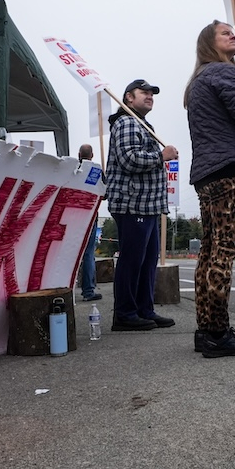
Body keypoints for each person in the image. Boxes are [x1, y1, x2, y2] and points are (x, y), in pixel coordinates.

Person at [184, 21, 235, 358]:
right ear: (210, 43)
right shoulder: (225, 74)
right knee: (225, 249)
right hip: (229, 172)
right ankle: (218, 331)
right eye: (225, 33)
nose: (233, 36)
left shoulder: (198, 82)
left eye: (234, 32)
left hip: (207, 173)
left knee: (209, 250)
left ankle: (206, 328)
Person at [105, 79, 179, 331]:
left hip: (147, 205)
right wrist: (162, 156)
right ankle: (125, 313)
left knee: (147, 261)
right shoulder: (126, 122)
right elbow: (129, 159)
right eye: (143, 92)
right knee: (132, 260)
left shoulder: (142, 124)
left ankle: (144, 309)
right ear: (128, 97)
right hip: (132, 204)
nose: (149, 96)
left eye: (151, 93)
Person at [77, 143, 102, 301]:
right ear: (92, 155)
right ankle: (88, 291)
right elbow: (104, 193)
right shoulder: (97, 170)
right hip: (90, 214)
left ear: (79, 154)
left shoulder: (73, 169)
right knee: (88, 253)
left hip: (73, 215)